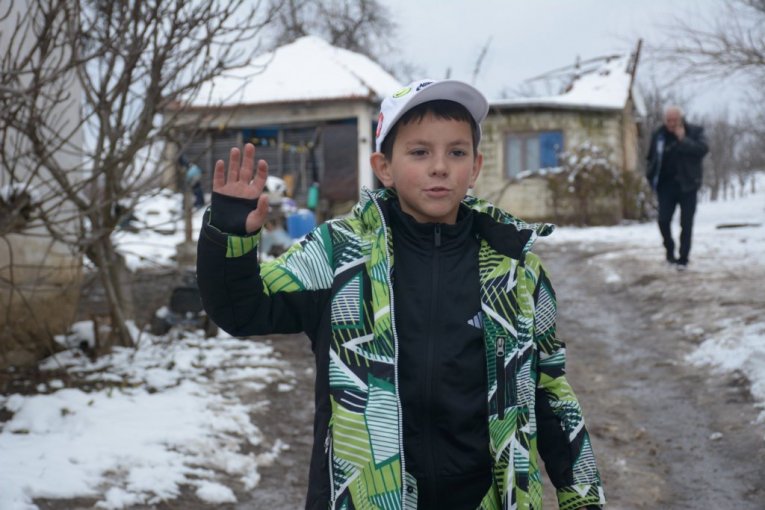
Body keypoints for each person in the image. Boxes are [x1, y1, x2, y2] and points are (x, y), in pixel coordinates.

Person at [196, 79, 605, 510]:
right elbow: (244, 310)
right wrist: (229, 234)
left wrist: (583, 497)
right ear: (384, 166)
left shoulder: (515, 270)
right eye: (420, 152)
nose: (440, 167)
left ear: (476, 166)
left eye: (456, 152)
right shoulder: (339, 253)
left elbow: (550, 391)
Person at [646, 105, 709, 269]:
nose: (671, 123)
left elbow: (703, 149)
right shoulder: (658, 135)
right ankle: (670, 251)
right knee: (663, 221)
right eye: (668, 120)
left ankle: (683, 258)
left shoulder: (694, 131)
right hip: (665, 186)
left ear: (681, 119)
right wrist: (650, 177)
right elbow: (651, 158)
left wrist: (683, 139)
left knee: (686, 224)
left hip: (688, 185)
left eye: (674, 120)